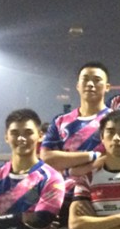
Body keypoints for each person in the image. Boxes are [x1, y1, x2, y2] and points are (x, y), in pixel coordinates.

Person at [40, 61, 112, 203]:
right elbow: (47, 158)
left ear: (107, 87)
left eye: (97, 80)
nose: (90, 84)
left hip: (103, 194)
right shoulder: (61, 121)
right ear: (78, 85)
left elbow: (114, 159)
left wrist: (68, 167)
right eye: (85, 79)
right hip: (64, 196)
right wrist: (93, 156)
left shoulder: (116, 120)